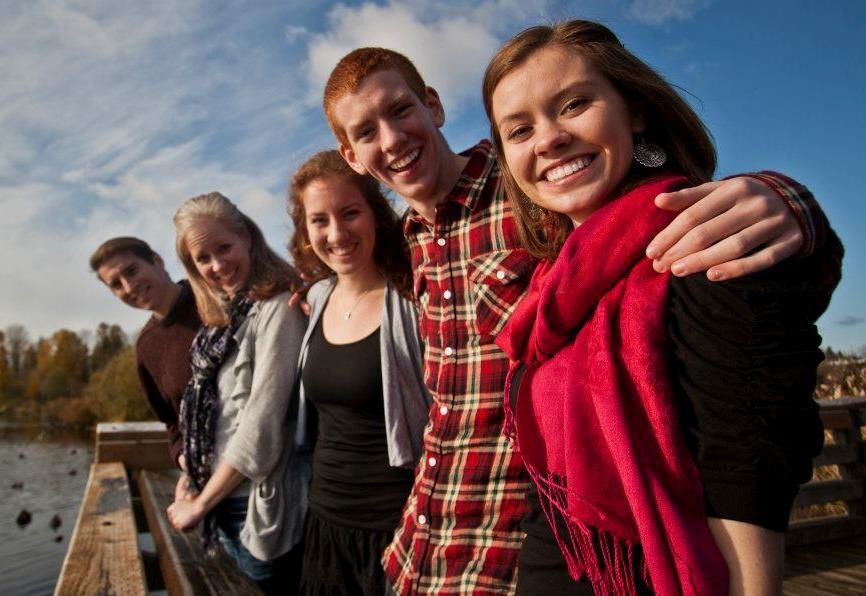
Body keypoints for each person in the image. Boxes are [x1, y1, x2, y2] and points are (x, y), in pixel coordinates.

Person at [321, 46, 832, 594]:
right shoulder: (408, 242)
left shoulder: (528, 185)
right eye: (367, 131)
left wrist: (789, 202)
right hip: (423, 548)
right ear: (352, 156)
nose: (392, 139)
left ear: (433, 106)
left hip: (529, 555)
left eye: (400, 111)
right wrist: (312, 297)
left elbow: (652, 220)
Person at [484, 20, 843, 595]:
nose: (548, 139)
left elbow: (746, 473)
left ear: (637, 111)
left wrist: (796, 205)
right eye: (519, 130)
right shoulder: (549, 286)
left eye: (574, 104)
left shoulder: (701, 244)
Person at [287, 150, 431, 595]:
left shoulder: (414, 296)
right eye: (319, 220)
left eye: (350, 213)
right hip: (326, 520)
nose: (337, 233)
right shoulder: (317, 299)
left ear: (375, 215)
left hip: (399, 528)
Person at [167, 192, 309, 593]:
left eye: (224, 247)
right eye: (203, 258)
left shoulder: (278, 308)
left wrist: (200, 503)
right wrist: (188, 479)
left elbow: (262, 427)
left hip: (257, 508)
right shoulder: (221, 321)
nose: (217, 265)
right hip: (219, 501)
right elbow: (214, 418)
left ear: (247, 237)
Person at [90, 237, 200, 468]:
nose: (129, 287)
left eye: (131, 271)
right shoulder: (146, 348)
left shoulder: (214, 297)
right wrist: (184, 461)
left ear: (157, 261)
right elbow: (173, 425)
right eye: (116, 285)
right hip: (207, 476)